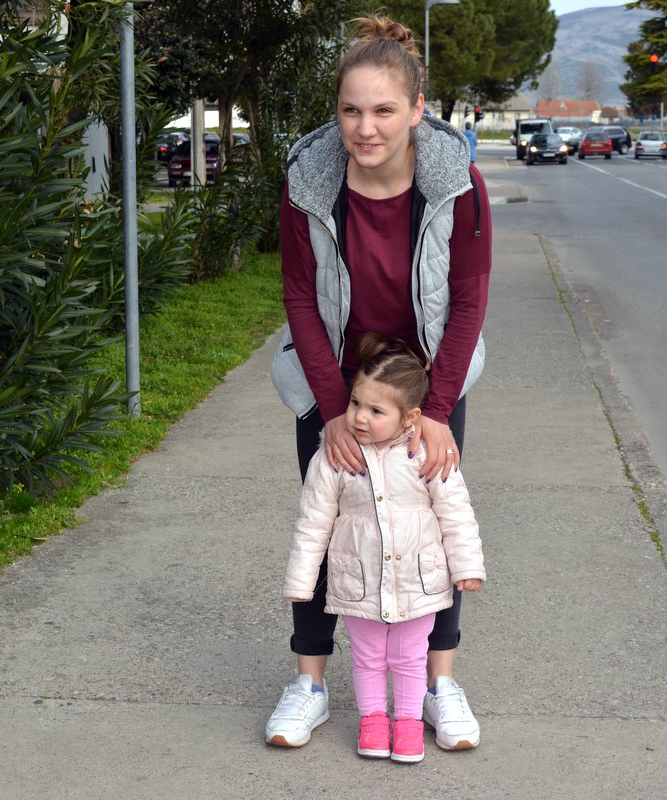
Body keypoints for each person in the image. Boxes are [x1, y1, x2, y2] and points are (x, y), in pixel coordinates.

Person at [267, 13, 491, 752]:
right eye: (351, 110)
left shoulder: (458, 186)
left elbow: (470, 299)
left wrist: (439, 408)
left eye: (385, 110)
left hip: (427, 385)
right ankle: (309, 685)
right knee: (330, 525)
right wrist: (334, 410)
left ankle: (437, 685)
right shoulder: (308, 184)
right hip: (336, 382)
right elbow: (300, 297)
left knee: (431, 530)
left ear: (418, 109)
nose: (366, 128)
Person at [282, 334, 486, 763]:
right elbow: (312, 524)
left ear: (409, 416)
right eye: (356, 403)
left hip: (418, 582)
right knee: (368, 656)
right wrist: (301, 581)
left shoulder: (427, 453)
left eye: (376, 411)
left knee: (410, 657)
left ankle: (408, 721)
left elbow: (456, 514)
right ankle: (373, 720)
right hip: (359, 583)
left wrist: (468, 565)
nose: (359, 417)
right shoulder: (334, 456)